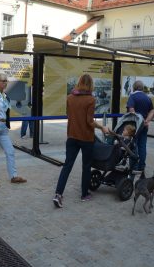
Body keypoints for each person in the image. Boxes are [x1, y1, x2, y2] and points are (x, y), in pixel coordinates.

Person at [53, 74, 109, 208]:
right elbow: (89, 122)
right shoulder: (91, 99)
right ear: (91, 85)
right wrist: (102, 127)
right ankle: (84, 194)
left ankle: (58, 194)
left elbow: (69, 115)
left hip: (71, 137)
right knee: (86, 166)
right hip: (86, 138)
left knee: (67, 166)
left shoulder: (70, 98)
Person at [126, 80, 154, 171]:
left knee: (133, 146)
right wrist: (146, 121)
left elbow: (131, 109)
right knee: (142, 146)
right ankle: (141, 166)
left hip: (134, 126)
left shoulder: (132, 96)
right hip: (144, 126)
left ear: (134, 88)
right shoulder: (147, 97)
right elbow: (152, 111)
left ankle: (134, 166)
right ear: (142, 88)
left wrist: (137, 121)